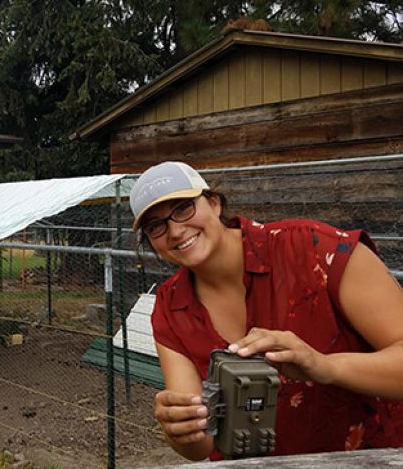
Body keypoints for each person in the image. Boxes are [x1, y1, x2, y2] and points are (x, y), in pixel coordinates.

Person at [129, 161, 403, 461]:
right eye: (156, 226)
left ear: (214, 203)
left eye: (183, 208)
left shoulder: (315, 250)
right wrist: (180, 430)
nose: (176, 230)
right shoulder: (170, 308)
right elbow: (201, 445)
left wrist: (325, 366)